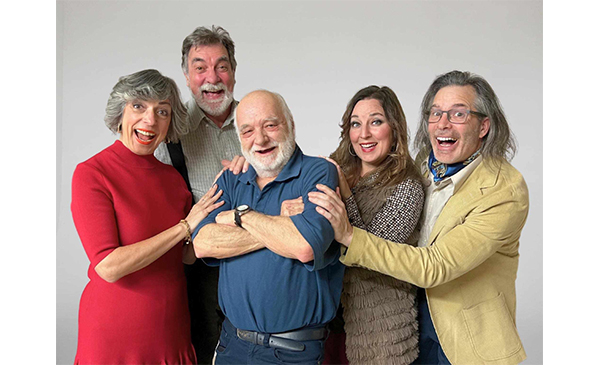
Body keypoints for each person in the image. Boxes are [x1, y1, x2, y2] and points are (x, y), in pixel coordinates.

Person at [309, 70, 529, 364]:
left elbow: (434, 265)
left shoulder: (504, 190)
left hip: (465, 341)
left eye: (458, 114)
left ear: (483, 126)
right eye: (435, 114)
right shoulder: (425, 170)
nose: (443, 124)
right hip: (413, 324)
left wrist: (348, 233)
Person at [71, 69, 226, 364]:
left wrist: (222, 205)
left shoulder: (173, 180)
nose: (150, 120)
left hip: (172, 330)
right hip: (115, 334)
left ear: (170, 123)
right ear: (120, 113)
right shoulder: (92, 174)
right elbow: (108, 266)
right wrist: (184, 227)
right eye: (138, 106)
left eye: (162, 111)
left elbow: (184, 257)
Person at [192, 90, 345, 365]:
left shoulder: (318, 172)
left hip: (292, 353)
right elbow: (203, 244)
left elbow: (304, 245)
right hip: (232, 347)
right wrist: (280, 221)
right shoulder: (231, 179)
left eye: (270, 125)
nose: (260, 139)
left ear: (292, 125)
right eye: (247, 130)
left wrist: (240, 216)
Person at [154, 25, 244, 363]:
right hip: (200, 273)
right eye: (200, 67)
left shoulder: (262, 124)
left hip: (260, 264)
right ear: (187, 76)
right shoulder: (169, 136)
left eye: (221, 66)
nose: (212, 77)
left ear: (233, 72)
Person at [320, 86, 425, 364]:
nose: (364, 134)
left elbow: (372, 252)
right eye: (356, 123)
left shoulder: (408, 187)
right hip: (329, 323)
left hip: (380, 332)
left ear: (394, 129)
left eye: (375, 122)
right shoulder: (336, 167)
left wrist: (343, 193)